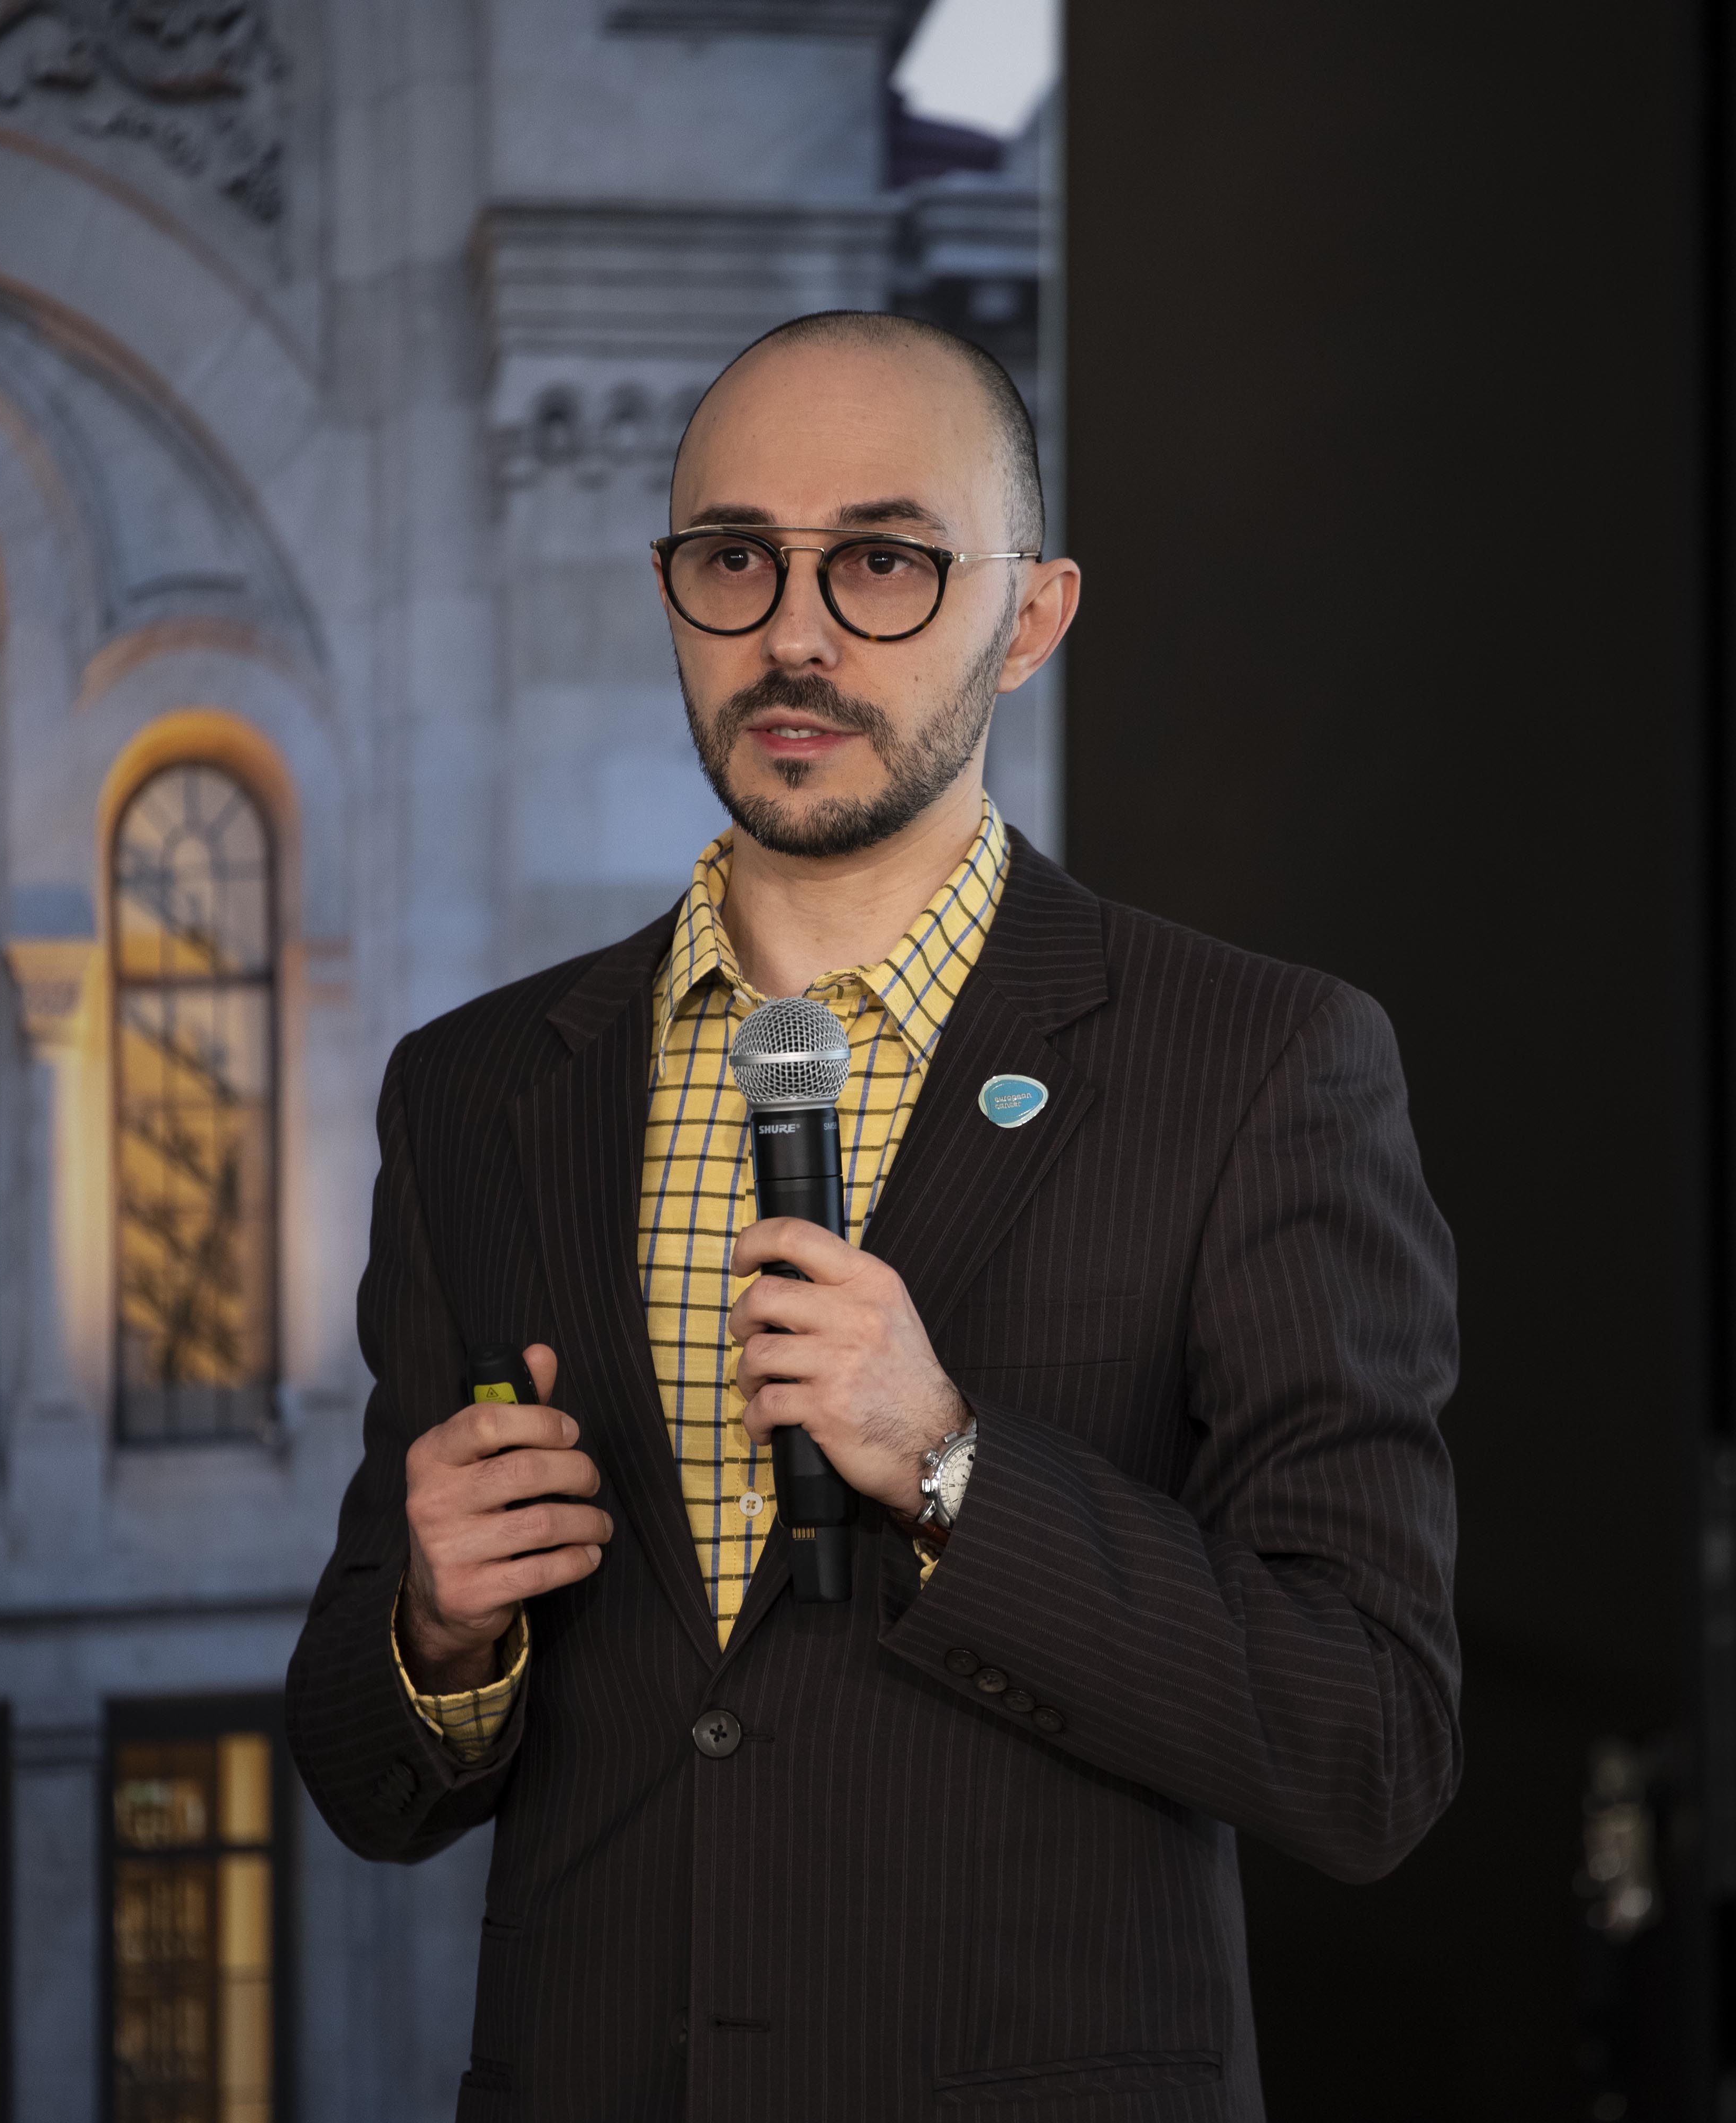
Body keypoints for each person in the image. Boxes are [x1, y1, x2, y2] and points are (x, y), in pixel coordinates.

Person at [287, 310, 1461, 2122]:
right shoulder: (478, 1090)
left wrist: (953, 1469)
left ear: (1032, 618)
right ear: (670, 593)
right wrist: (438, 1633)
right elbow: (368, 1783)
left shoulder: (1257, 1066)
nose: (796, 634)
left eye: (887, 563)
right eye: (734, 558)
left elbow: (1368, 1740)